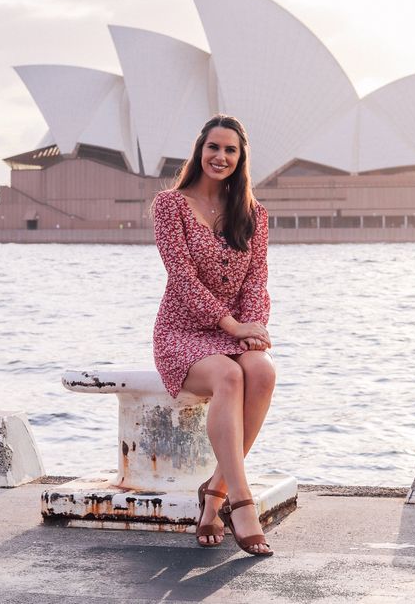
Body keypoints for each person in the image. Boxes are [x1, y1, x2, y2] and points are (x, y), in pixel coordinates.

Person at [153, 114, 275, 557]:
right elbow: (182, 279)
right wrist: (232, 326)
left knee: (260, 371)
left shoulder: (254, 214)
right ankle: (240, 504)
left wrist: (253, 330)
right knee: (229, 377)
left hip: (234, 329)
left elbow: (256, 281)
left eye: (230, 150)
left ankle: (215, 491)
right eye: (213, 147)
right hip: (182, 331)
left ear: (240, 158)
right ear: (199, 151)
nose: (220, 157)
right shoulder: (170, 206)